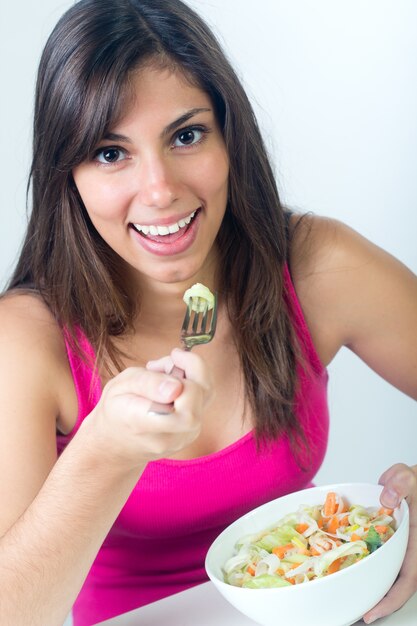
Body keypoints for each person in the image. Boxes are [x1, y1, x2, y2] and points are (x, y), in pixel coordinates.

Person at [0, 0, 416, 624]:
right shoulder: (26, 341)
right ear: (69, 176)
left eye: (186, 135)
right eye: (111, 153)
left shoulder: (315, 266)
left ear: (230, 136)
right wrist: (105, 451)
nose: (161, 190)